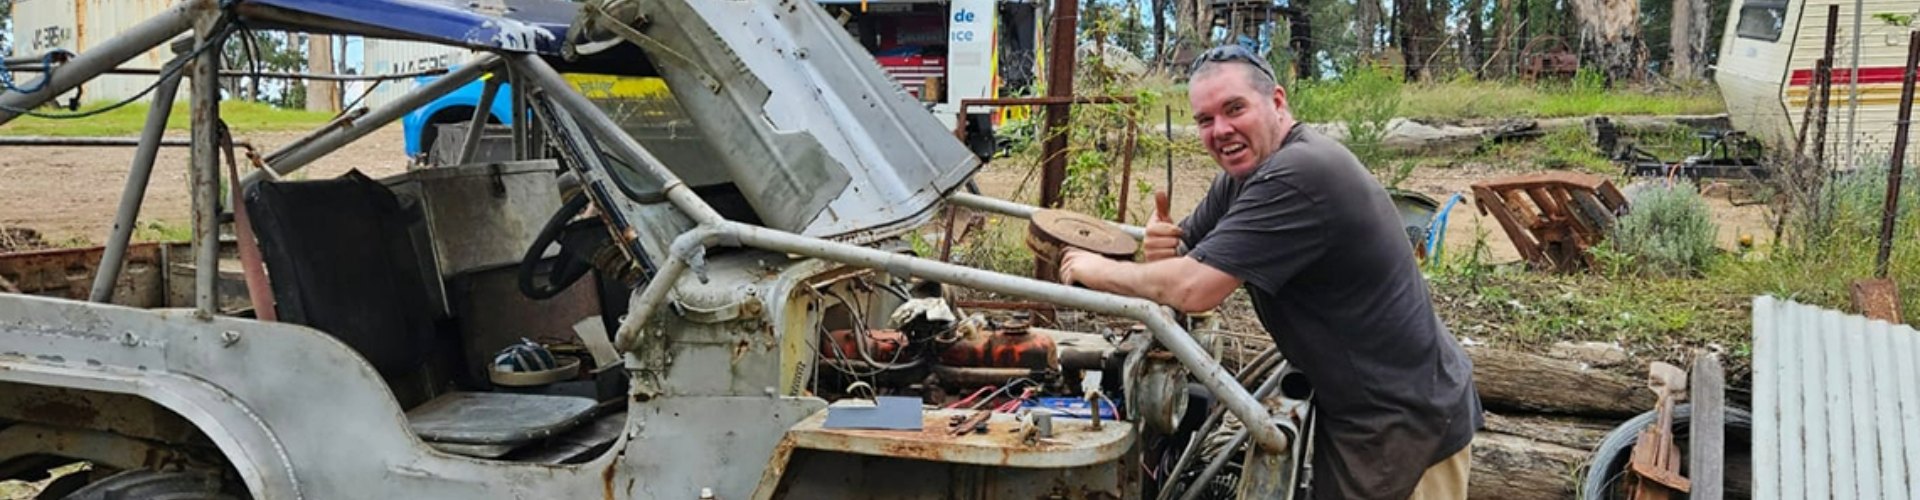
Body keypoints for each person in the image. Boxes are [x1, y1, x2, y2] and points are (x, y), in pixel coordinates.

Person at [1055, 45, 1482, 500]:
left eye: (1234, 108)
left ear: (1277, 102)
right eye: (1205, 120)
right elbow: (1184, 261)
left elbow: (1197, 289)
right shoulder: (1241, 178)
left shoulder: (1302, 172)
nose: (1221, 130)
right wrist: (1161, 249)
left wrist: (1095, 271)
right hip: (1359, 410)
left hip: (1404, 420)